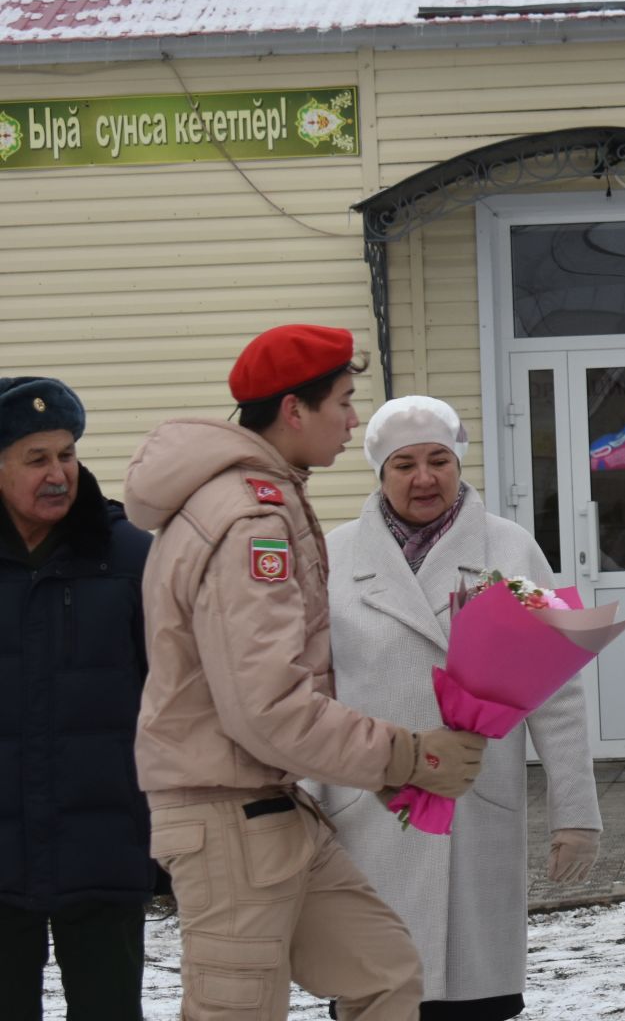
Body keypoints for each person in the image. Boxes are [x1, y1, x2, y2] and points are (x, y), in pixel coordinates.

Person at [126, 324, 491, 1020]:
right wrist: (405, 757)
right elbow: (266, 707)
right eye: (344, 402)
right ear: (295, 410)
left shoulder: (259, 498)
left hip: (270, 805)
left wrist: (379, 767)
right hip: (229, 815)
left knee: (383, 972)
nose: (354, 421)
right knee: (237, 1010)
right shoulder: (248, 520)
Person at [313, 394, 601, 1021]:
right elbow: (310, 690)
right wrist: (306, 805)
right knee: (377, 991)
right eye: (404, 464)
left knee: (475, 995)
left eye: (439, 460)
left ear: (459, 463)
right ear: (379, 473)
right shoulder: (332, 557)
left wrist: (575, 813)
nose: (424, 478)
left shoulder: (510, 550)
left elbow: (558, 692)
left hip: (477, 807)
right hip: (370, 809)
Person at [0, 378, 153, 1020]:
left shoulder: (130, 556)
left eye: (67, 454)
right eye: (37, 459)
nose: (58, 473)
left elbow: (171, 696)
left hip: (106, 845)